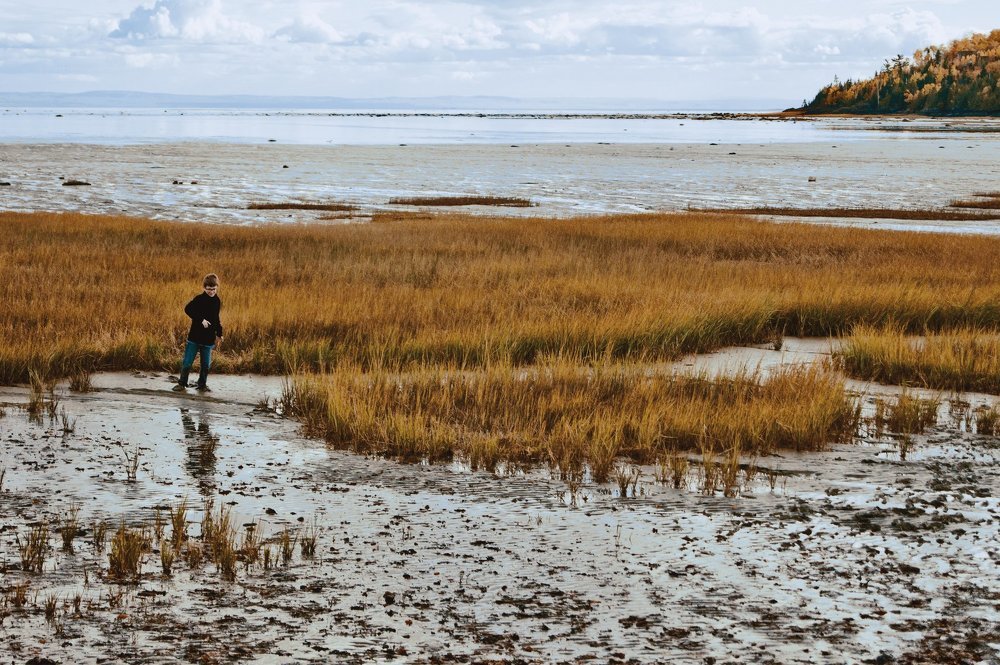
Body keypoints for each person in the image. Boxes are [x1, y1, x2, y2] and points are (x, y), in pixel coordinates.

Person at [173, 273, 223, 393]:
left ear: (217, 287)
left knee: (206, 365)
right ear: (204, 287)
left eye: (214, 289)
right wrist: (201, 320)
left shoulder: (217, 301)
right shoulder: (199, 299)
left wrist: (219, 333)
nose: (211, 291)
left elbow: (216, 318)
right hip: (194, 338)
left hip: (208, 339)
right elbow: (188, 309)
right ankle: (182, 384)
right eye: (209, 289)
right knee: (187, 363)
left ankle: (202, 385)